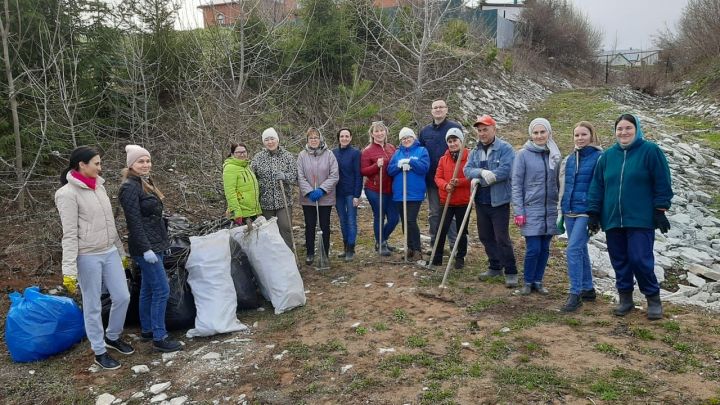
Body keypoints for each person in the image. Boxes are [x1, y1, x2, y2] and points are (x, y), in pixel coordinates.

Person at [55, 146, 134, 370]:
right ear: (82, 164)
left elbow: (110, 224)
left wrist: (120, 252)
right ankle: (99, 351)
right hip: (87, 255)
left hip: (109, 250)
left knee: (122, 296)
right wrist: (69, 270)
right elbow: (69, 233)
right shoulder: (67, 194)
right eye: (96, 163)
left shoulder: (99, 186)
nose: (100, 167)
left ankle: (113, 335)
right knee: (93, 305)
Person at [587, 114, 673, 320]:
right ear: (615, 132)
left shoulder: (650, 151)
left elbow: (662, 181)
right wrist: (593, 213)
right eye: (620, 129)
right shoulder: (607, 157)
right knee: (619, 260)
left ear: (636, 129)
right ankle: (625, 298)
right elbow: (597, 186)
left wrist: (660, 209)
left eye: (628, 128)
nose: (623, 132)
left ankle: (652, 298)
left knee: (639, 259)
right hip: (613, 218)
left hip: (640, 218)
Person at [118, 145, 182, 353]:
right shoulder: (129, 187)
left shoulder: (144, 182)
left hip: (157, 244)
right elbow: (134, 222)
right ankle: (159, 336)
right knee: (162, 290)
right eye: (141, 161)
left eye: (147, 161)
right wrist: (146, 249)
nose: (145, 165)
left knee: (147, 287)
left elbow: (153, 217)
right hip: (146, 247)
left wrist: (163, 242)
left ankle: (147, 329)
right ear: (131, 165)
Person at [464, 115, 518, 288]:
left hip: (499, 201)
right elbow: (467, 170)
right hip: (481, 200)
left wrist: (488, 177)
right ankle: (495, 266)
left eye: (485, 129)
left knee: (501, 237)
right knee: (485, 236)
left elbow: (506, 170)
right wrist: (480, 172)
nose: (482, 133)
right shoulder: (475, 150)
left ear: (494, 129)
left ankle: (511, 271)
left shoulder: (505, 148)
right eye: (479, 130)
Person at [512, 118, 561, 295]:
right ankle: (527, 281)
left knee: (545, 248)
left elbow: (558, 182)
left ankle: (538, 281)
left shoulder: (555, 154)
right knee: (533, 248)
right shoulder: (523, 155)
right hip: (530, 208)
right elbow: (516, 184)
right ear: (531, 135)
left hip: (550, 209)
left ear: (549, 133)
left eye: (542, 132)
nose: (539, 136)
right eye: (536, 133)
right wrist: (519, 211)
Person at [557, 122, 603, 312]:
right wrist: (561, 209)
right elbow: (564, 185)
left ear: (592, 136)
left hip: (586, 212)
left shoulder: (600, 158)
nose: (580, 138)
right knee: (580, 248)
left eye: (584, 134)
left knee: (573, 249)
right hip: (569, 210)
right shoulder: (568, 159)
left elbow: (601, 186)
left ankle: (575, 293)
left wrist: (596, 214)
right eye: (576, 135)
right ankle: (588, 287)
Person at [419, 99, 462, 249]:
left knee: (451, 213)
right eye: (435, 107)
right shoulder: (425, 132)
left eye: (441, 107)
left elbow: (461, 151)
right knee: (434, 213)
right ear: (431, 111)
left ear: (446, 110)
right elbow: (420, 153)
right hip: (431, 180)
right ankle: (435, 244)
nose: (438, 110)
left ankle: (454, 245)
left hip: (451, 180)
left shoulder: (455, 128)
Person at [251, 127, 298, 250]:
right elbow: (252, 178)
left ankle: (289, 255)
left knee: (285, 228)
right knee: (269, 232)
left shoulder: (287, 156)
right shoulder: (258, 158)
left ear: (277, 140)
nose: (270, 142)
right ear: (263, 142)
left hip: (283, 201)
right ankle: (274, 258)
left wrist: (285, 176)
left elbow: (295, 177)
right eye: (266, 140)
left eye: (272, 138)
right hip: (265, 203)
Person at [297, 127, 339, 265]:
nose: (313, 140)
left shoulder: (329, 154)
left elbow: (334, 175)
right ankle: (310, 252)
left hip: (325, 197)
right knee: (310, 225)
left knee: (325, 225)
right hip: (308, 198)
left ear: (320, 139)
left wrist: (322, 189)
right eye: (311, 138)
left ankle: (324, 252)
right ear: (307, 140)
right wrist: (309, 191)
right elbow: (300, 175)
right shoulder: (302, 155)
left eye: (316, 138)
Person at [388, 127, 430, 261]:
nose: (406, 140)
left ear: (414, 138)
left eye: (408, 137)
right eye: (403, 138)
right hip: (400, 193)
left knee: (411, 220)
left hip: (414, 193)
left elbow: (424, 168)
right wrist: (399, 165)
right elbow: (390, 170)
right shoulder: (397, 153)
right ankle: (409, 248)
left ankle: (417, 249)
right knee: (405, 222)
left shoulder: (421, 151)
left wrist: (411, 162)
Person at [432, 127, 470, 269]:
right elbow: (438, 177)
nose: (452, 144)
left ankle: (460, 257)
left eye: (455, 140)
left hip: (463, 201)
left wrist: (459, 182)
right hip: (446, 200)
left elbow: (471, 176)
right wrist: (446, 186)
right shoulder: (443, 159)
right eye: (450, 141)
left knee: (461, 230)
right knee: (441, 228)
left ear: (461, 141)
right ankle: (437, 257)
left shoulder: (469, 156)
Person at [360, 121, 399, 256]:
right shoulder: (367, 151)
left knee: (394, 218)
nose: (379, 133)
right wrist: (376, 165)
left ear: (386, 132)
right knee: (380, 216)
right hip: (374, 189)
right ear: (372, 134)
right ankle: (381, 243)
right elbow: (364, 171)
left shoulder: (391, 148)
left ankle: (382, 239)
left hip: (390, 189)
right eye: (376, 131)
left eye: (381, 130)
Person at [332, 128, 362, 261]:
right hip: (337, 192)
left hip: (351, 192)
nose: (344, 138)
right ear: (338, 138)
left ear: (350, 138)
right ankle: (345, 247)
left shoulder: (355, 153)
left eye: (347, 136)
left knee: (351, 220)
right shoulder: (333, 153)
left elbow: (358, 175)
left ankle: (351, 248)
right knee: (342, 220)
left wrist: (357, 195)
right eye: (342, 136)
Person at [223, 143, 262, 225]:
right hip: (241, 214)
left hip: (252, 212)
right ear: (232, 154)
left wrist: (257, 210)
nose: (242, 154)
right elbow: (230, 192)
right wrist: (236, 213)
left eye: (244, 152)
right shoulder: (230, 168)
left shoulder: (246, 166)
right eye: (238, 152)